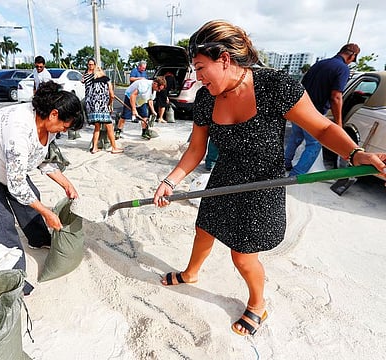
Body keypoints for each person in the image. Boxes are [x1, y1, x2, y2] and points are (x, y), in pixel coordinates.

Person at [152, 20, 385, 337]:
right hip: (224, 177)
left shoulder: (274, 86)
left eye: (201, 67)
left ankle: (258, 304)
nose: (197, 77)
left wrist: (357, 154)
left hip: (265, 184)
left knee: (243, 256)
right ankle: (191, 272)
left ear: (224, 59)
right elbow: (195, 150)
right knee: (203, 229)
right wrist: (171, 180)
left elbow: (322, 128)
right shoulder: (206, 98)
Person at [0, 81, 83, 295]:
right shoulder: (18, 130)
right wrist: (46, 212)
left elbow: (42, 158)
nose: (64, 130)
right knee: (1, 221)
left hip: (7, 165)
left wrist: (66, 183)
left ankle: (39, 239)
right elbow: (16, 186)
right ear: (54, 114)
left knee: (32, 197)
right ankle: (12, 279)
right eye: (65, 125)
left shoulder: (48, 125)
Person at [284, 43, 360, 175]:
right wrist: (339, 123)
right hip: (315, 113)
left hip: (299, 109)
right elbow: (336, 97)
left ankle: (284, 163)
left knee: (295, 137)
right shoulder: (343, 69)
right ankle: (296, 175)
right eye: (353, 59)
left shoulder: (319, 64)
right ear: (352, 55)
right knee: (314, 144)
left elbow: (301, 86)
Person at [85, 66, 123, 154]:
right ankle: (114, 148)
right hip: (102, 107)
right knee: (109, 126)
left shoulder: (92, 81)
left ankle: (94, 147)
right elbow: (112, 95)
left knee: (97, 127)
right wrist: (109, 104)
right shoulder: (106, 79)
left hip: (93, 107)